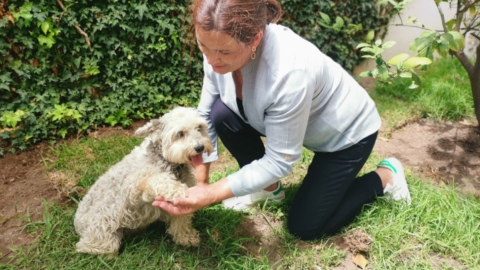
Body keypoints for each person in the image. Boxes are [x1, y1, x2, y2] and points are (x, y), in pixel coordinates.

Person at [152, 0, 411, 240]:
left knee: (305, 228)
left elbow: (280, 160)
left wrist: (210, 194)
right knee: (222, 114)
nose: (211, 60)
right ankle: (269, 190)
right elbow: (206, 114)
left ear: (255, 38)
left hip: (345, 135)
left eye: (223, 52)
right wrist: (202, 182)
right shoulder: (217, 42)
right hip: (290, 122)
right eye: (202, 47)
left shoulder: (289, 72)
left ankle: (386, 176)